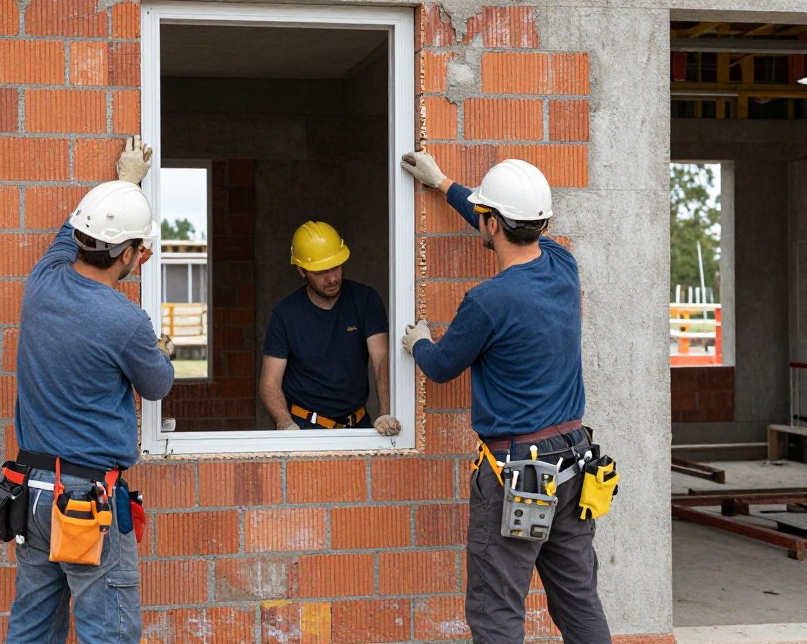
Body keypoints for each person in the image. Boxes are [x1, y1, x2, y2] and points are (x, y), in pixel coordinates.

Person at [399, 152, 611, 644]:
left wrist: (419, 342)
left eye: (485, 215)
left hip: (519, 473)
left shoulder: (488, 301)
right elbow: (503, 214)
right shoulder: (563, 265)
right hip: (574, 464)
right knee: (579, 601)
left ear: (491, 223)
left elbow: (440, 366)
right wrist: (444, 183)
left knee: (497, 611)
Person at [5, 141, 174, 644]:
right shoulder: (124, 321)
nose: (141, 257)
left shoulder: (43, 281)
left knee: (33, 632)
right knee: (110, 633)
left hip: (31, 492)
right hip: (86, 504)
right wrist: (156, 348)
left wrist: (125, 181)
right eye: (140, 250)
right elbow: (158, 384)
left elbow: (68, 233)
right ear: (127, 253)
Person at [258, 220, 400, 436]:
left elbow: (382, 360)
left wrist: (385, 413)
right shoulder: (285, 314)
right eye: (321, 272)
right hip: (305, 427)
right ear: (301, 271)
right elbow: (269, 382)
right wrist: (285, 424)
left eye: (336, 266)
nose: (332, 278)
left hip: (360, 425)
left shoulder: (366, 300)